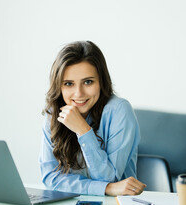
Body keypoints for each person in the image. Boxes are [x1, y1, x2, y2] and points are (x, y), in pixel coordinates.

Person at [39, 40, 146, 196]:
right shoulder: (54, 112)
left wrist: (83, 130)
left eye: (88, 82)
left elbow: (108, 178)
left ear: (101, 81)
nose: (79, 94)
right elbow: (50, 178)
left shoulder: (119, 111)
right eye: (69, 84)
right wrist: (108, 189)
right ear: (59, 86)